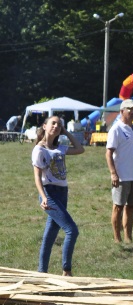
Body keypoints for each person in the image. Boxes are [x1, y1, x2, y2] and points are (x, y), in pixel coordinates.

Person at [31, 115, 84, 276]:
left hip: (62, 193)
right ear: (44, 126)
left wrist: (66, 132)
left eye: (59, 125)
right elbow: (37, 177)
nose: (56, 126)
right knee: (71, 230)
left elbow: (80, 149)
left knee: (50, 235)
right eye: (53, 123)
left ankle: (42, 271)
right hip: (50, 193)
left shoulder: (60, 148)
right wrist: (43, 197)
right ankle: (66, 270)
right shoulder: (39, 149)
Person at [106, 99, 133, 244]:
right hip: (121, 175)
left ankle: (128, 237)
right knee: (118, 207)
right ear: (122, 111)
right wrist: (113, 173)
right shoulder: (116, 129)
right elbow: (108, 153)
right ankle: (117, 238)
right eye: (130, 109)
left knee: (131, 207)